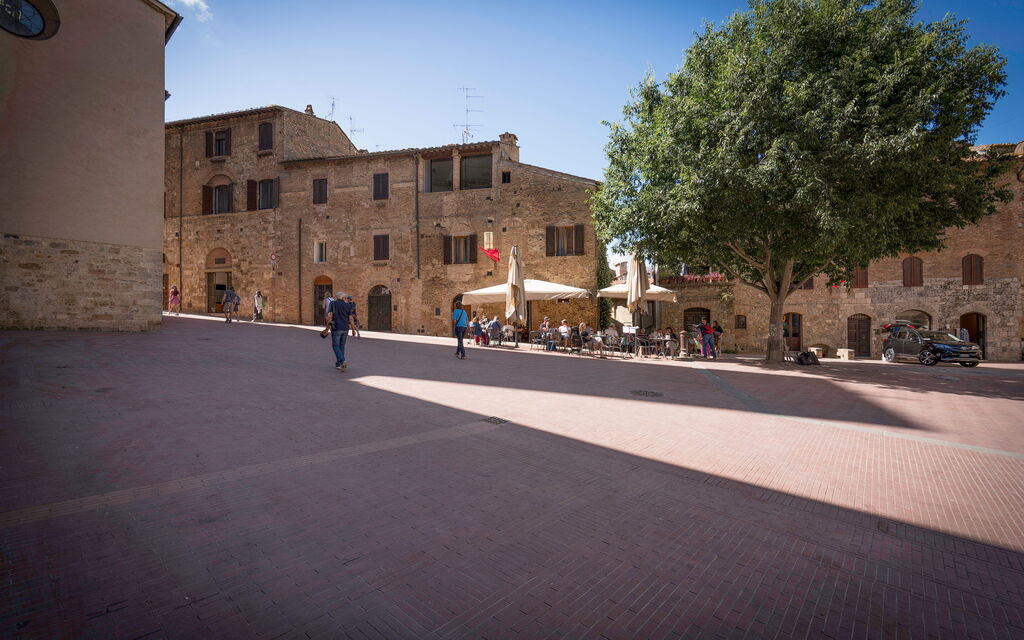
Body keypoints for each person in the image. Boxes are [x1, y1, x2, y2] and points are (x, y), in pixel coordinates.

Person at [325, 291, 354, 371]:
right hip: (345, 328)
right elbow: (351, 318)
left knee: (335, 346)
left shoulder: (333, 304)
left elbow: (330, 317)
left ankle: (343, 360)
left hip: (336, 327)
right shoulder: (348, 305)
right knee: (342, 346)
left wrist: (327, 328)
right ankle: (339, 364)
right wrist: (353, 330)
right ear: (343, 297)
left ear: (337, 297)